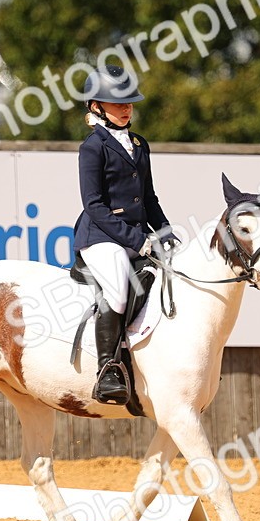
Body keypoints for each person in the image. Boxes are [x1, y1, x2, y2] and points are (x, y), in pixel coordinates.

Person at [72, 64, 177, 405]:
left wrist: (164, 232)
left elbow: (149, 198)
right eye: (116, 103)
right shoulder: (92, 147)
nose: (125, 108)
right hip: (100, 236)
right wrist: (138, 241)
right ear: (96, 106)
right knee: (119, 287)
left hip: (137, 234)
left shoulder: (138, 144)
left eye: (129, 102)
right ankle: (108, 370)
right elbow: (94, 206)